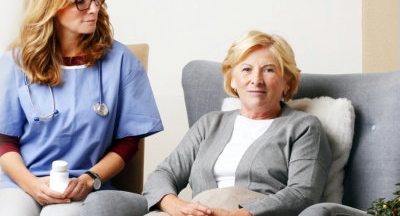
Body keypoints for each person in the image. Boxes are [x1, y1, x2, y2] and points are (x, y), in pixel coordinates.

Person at [81, 30, 332, 216]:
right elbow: (163, 174)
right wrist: (177, 206)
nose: (256, 79)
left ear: (287, 81)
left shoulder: (304, 127)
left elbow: (302, 193)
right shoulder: (210, 124)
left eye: (268, 70)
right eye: (246, 70)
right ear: (232, 79)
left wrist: (241, 215)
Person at [0, 0, 163, 216]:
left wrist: (89, 180)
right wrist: (31, 185)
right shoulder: (16, 62)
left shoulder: (121, 61)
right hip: (22, 182)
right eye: (80, 2)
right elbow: (4, 140)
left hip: (85, 184)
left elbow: (129, 142)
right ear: (50, 5)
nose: (94, 8)